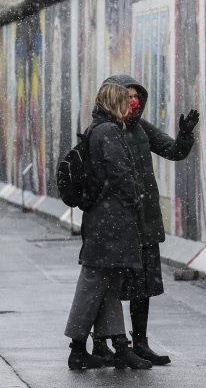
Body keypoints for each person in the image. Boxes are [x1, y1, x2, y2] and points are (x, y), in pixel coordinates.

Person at [91, 74, 198, 366]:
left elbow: (174, 150)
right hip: (117, 224)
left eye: (138, 95)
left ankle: (140, 342)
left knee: (143, 287)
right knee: (110, 287)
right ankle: (103, 344)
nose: (134, 101)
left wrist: (185, 134)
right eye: (128, 95)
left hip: (145, 222)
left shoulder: (140, 129)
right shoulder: (104, 131)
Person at [64, 81, 153, 370]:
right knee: (93, 285)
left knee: (108, 285)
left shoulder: (96, 129)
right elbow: (122, 174)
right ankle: (77, 348)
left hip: (103, 221)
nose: (131, 105)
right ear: (114, 103)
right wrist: (136, 199)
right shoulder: (109, 132)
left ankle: (119, 345)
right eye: (125, 100)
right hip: (111, 222)